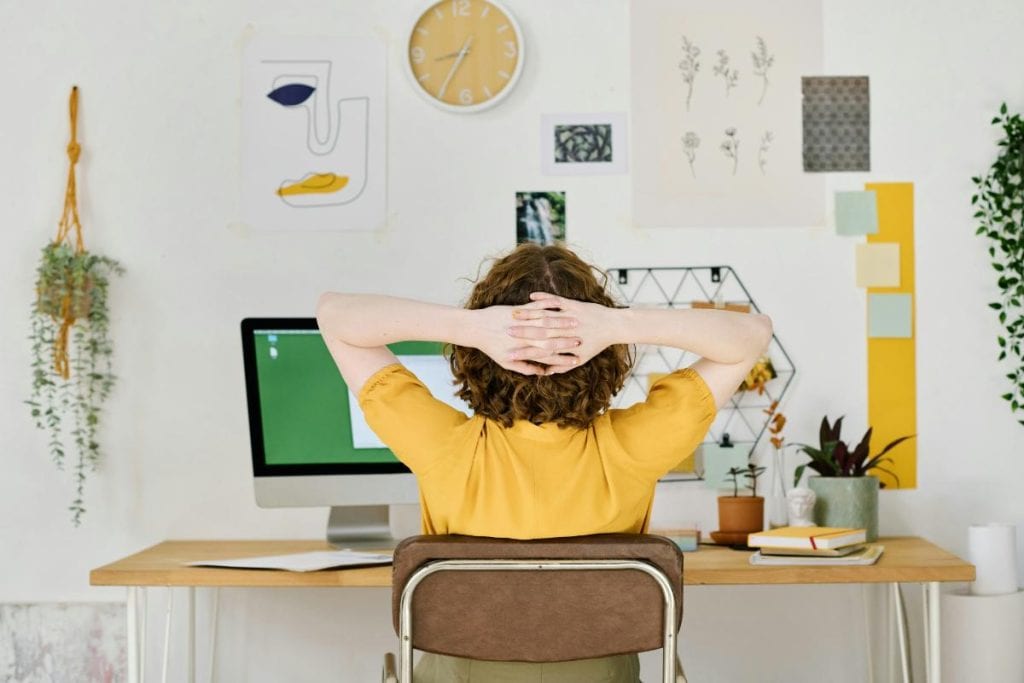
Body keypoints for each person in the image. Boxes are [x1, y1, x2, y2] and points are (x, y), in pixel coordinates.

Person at [316, 243, 772, 682]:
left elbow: (334, 316)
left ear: (479, 358)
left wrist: (472, 328)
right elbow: (752, 333)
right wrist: (615, 325)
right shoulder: (634, 446)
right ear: (600, 357)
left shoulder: (442, 446)